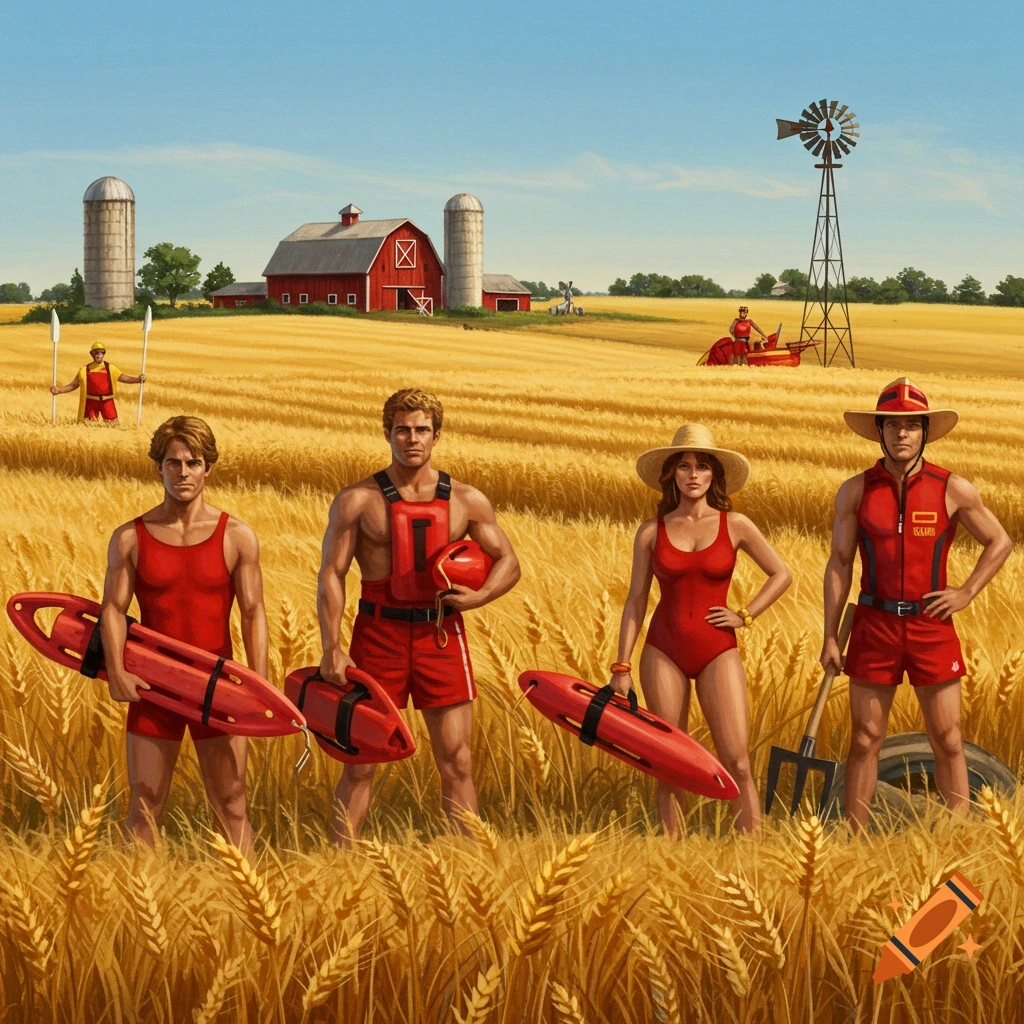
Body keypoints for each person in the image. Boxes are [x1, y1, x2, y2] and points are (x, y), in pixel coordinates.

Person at [317, 388, 520, 842]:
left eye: (422, 430)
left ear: (437, 436)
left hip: (440, 634)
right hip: (376, 635)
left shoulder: (467, 500)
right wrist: (331, 647)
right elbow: (332, 574)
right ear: (386, 434)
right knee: (361, 759)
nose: (412, 439)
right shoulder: (357, 500)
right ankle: (336, 861)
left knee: (458, 758)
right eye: (403, 430)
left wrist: (478, 597)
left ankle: (469, 863)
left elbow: (509, 561)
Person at [821, 378, 1011, 833]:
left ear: (924, 432)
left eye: (911, 426)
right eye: (893, 426)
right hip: (873, 623)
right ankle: (856, 838)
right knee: (865, 739)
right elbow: (839, 564)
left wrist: (965, 592)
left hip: (931, 625)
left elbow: (999, 541)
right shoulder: (855, 490)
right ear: (880, 431)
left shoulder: (953, 488)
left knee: (947, 738)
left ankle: (956, 835)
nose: (901, 434)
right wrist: (830, 635)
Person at [610, 424, 791, 834]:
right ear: (672, 474)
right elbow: (636, 599)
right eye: (685, 466)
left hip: (717, 648)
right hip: (663, 648)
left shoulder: (737, 524)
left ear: (714, 476)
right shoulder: (651, 531)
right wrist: (621, 665)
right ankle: (676, 853)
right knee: (670, 761)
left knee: (737, 758)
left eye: (703, 466)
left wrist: (745, 615)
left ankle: (751, 849)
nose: (693, 474)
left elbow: (781, 574)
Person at [99, 416, 267, 854]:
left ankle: (249, 905)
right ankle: (138, 906)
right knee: (145, 802)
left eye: (193, 462)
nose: (183, 472)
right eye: (172, 463)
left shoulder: (237, 536)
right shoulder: (129, 539)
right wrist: (117, 672)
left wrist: (259, 684)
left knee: (232, 803)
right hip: (154, 687)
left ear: (208, 467)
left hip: (219, 688)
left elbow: (253, 613)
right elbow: (112, 610)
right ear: (159, 468)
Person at [50, 343, 146, 425]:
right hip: (91, 402)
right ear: (92, 354)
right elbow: (73, 385)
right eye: (97, 353)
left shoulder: (110, 368)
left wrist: (138, 380)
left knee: (113, 425)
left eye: (101, 353)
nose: (99, 355)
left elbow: (123, 377)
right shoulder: (84, 370)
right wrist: (59, 390)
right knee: (89, 426)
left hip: (107, 401)